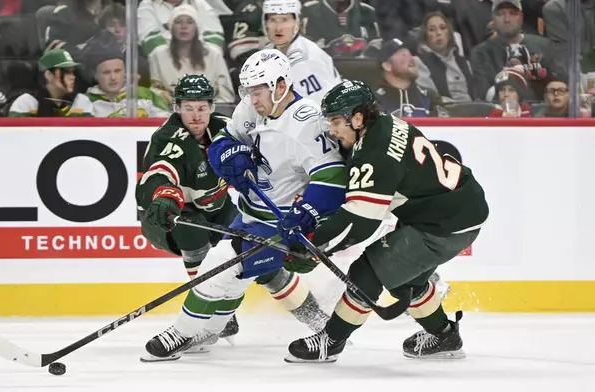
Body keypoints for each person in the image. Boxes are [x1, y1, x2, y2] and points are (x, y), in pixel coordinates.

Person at [137, 71, 340, 361]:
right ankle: (193, 329)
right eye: (188, 108)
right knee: (212, 259)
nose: (196, 116)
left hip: (236, 212)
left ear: (211, 106)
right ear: (176, 108)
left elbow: (320, 176)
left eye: (202, 107)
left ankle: (318, 322)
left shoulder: (236, 124)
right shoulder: (170, 137)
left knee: (241, 272)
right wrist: (163, 194)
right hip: (176, 213)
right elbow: (160, 171)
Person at [283, 80, 489, 363]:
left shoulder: (374, 152)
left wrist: (313, 244)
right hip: (455, 208)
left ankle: (330, 341)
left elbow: (360, 221)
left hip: (443, 222)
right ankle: (444, 337)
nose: (332, 130)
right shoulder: (384, 126)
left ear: (357, 118)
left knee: (366, 273)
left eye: (335, 121)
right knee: (408, 280)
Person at [149, 4, 235, 105]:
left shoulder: (214, 55)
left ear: (196, 28)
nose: (184, 27)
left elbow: (226, 96)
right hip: (172, 111)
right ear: (171, 28)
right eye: (178, 22)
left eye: (189, 22)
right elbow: (155, 90)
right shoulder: (158, 55)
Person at [262, 0, 341, 103]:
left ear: (297, 22)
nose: (278, 28)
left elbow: (317, 108)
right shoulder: (266, 52)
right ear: (265, 23)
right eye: (273, 20)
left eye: (285, 20)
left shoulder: (310, 58)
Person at [8, 49, 93, 117]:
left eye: (73, 72)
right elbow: (17, 136)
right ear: (48, 75)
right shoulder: (27, 102)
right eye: (66, 72)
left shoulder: (81, 102)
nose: (73, 77)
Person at [85, 50, 171, 117]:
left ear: (125, 73)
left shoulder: (146, 94)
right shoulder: (85, 101)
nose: (113, 77)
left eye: (117, 71)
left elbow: (167, 124)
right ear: (96, 76)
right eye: (106, 72)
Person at [415, 11, 476, 103]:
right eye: (432, 30)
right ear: (425, 36)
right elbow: (431, 98)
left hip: (473, 110)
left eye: (443, 28)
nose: (438, 33)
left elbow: (475, 93)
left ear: (449, 33)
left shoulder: (463, 62)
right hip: (444, 112)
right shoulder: (420, 62)